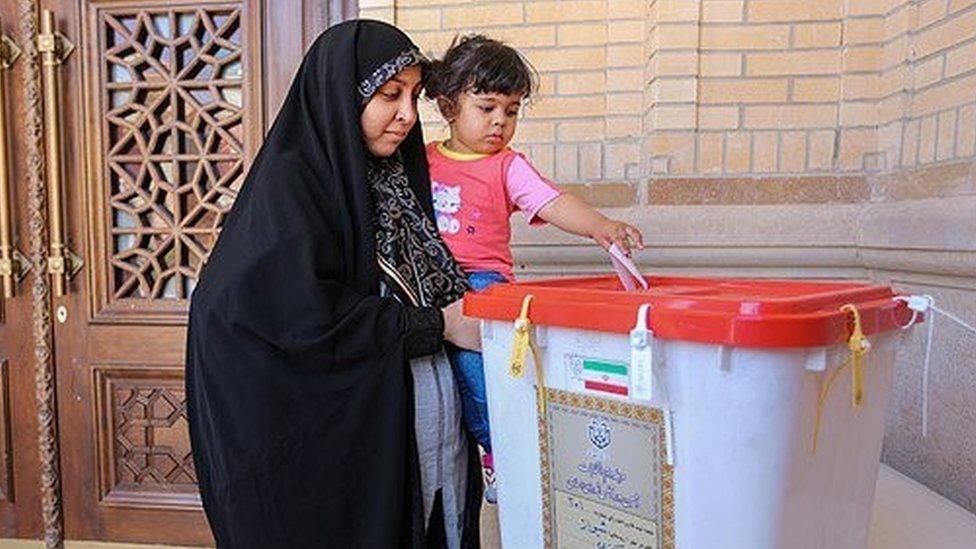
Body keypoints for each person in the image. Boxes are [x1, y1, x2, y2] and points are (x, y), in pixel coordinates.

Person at [185, 20, 483, 548]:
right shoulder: (293, 190)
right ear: (342, 96)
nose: (408, 116)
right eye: (390, 95)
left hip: (426, 426)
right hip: (356, 443)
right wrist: (434, 325)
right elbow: (273, 313)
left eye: (414, 96)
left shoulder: (392, 179)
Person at [424, 34, 645, 501]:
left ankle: (498, 452)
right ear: (448, 107)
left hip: (483, 287)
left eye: (512, 110)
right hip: (428, 284)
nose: (500, 122)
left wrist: (600, 226)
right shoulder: (421, 160)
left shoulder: (507, 166)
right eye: (487, 108)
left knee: (473, 366)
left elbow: (552, 201)